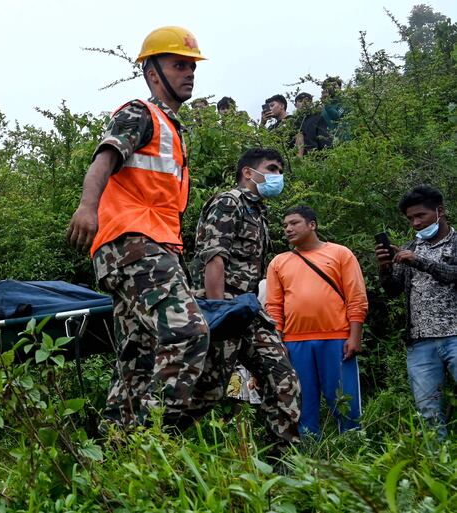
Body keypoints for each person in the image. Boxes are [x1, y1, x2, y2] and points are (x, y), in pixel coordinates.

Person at [66, 26, 209, 428]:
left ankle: (116, 448)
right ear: (152, 73)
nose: (189, 73)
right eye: (178, 65)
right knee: (188, 333)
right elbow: (103, 161)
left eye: (192, 66)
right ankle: (155, 440)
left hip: (150, 246)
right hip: (134, 243)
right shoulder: (139, 114)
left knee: (138, 355)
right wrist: (87, 208)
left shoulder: (172, 129)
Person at [189, 147, 301, 447]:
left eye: (280, 170)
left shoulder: (259, 212)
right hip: (223, 307)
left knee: (283, 378)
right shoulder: (229, 202)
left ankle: (286, 461)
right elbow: (214, 257)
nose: (278, 175)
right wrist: (219, 313)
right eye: (272, 168)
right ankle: (153, 443)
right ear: (248, 173)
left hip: (248, 309)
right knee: (207, 392)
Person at [266, 206, 367, 437]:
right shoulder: (278, 262)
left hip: (337, 338)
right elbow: (273, 307)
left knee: (344, 397)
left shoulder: (340, 254)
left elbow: (356, 297)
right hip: (294, 341)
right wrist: (277, 341)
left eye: (294, 223)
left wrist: (355, 336)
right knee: (303, 401)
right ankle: (308, 449)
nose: (288, 229)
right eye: (285, 226)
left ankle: (352, 444)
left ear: (312, 225)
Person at [376, 185, 457, 439]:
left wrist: (418, 261)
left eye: (420, 216)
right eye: (411, 218)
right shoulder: (412, 246)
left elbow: (453, 275)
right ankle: (436, 465)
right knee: (428, 410)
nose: (415, 223)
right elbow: (393, 290)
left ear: (440, 211)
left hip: (455, 335)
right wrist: (385, 267)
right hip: (420, 341)